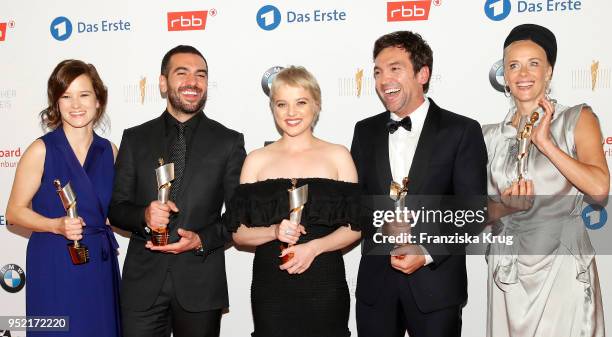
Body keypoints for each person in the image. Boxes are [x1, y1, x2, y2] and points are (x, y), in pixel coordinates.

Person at [351, 31, 487, 337]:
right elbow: (354, 204)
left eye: (395, 68)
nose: (383, 79)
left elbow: (473, 211)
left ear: (422, 74)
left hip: (436, 286)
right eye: (377, 71)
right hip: (376, 288)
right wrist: (381, 224)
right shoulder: (365, 131)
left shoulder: (461, 130)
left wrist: (425, 250)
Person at [108, 45, 246, 337]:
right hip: (142, 284)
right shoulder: (135, 139)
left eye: (200, 75)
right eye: (181, 73)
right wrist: (144, 215)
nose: (192, 82)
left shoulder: (228, 142)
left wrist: (200, 239)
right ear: (162, 82)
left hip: (200, 282)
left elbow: (238, 215)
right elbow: (116, 208)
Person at [483, 23, 608, 337]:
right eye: (514, 65)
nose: (523, 73)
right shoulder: (488, 137)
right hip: (507, 271)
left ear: (549, 71)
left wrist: (547, 144)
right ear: (505, 77)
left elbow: (599, 189)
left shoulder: (577, 119)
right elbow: (471, 212)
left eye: (533, 64)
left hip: (561, 267)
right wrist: (504, 208)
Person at [224, 66, 361, 337]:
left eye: (301, 102)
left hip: (324, 282)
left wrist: (314, 248)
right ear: (272, 108)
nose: (291, 112)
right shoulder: (256, 159)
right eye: (282, 104)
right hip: (271, 287)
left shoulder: (338, 156)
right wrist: (273, 231)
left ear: (316, 104)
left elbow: (356, 226)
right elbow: (238, 234)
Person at [5, 59, 121, 336]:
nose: (76, 105)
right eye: (66, 96)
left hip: (99, 264)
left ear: (98, 101)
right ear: (56, 103)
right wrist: (55, 225)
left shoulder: (111, 152)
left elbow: (113, 210)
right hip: (54, 261)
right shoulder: (41, 150)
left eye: (84, 94)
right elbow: (14, 212)